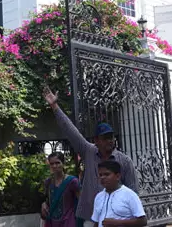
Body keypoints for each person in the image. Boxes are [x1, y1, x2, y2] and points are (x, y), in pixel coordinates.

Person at [44, 87, 139, 227]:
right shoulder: (89, 151)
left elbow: (133, 193)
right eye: (105, 138)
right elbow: (70, 131)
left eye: (111, 137)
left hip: (116, 220)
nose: (110, 140)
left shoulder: (124, 161)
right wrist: (54, 106)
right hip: (90, 216)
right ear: (96, 140)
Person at [91, 161, 147, 227]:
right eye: (100, 175)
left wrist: (117, 223)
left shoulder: (129, 195)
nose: (102, 177)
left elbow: (143, 221)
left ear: (117, 176)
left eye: (107, 174)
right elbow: (96, 222)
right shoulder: (98, 197)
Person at [41, 152, 80, 227]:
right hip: (52, 222)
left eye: (57, 163)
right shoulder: (48, 182)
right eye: (52, 164)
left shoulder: (72, 181)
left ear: (63, 163)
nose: (54, 166)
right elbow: (47, 200)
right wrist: (43, 204)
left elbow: (81, 202)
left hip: (68, 222)